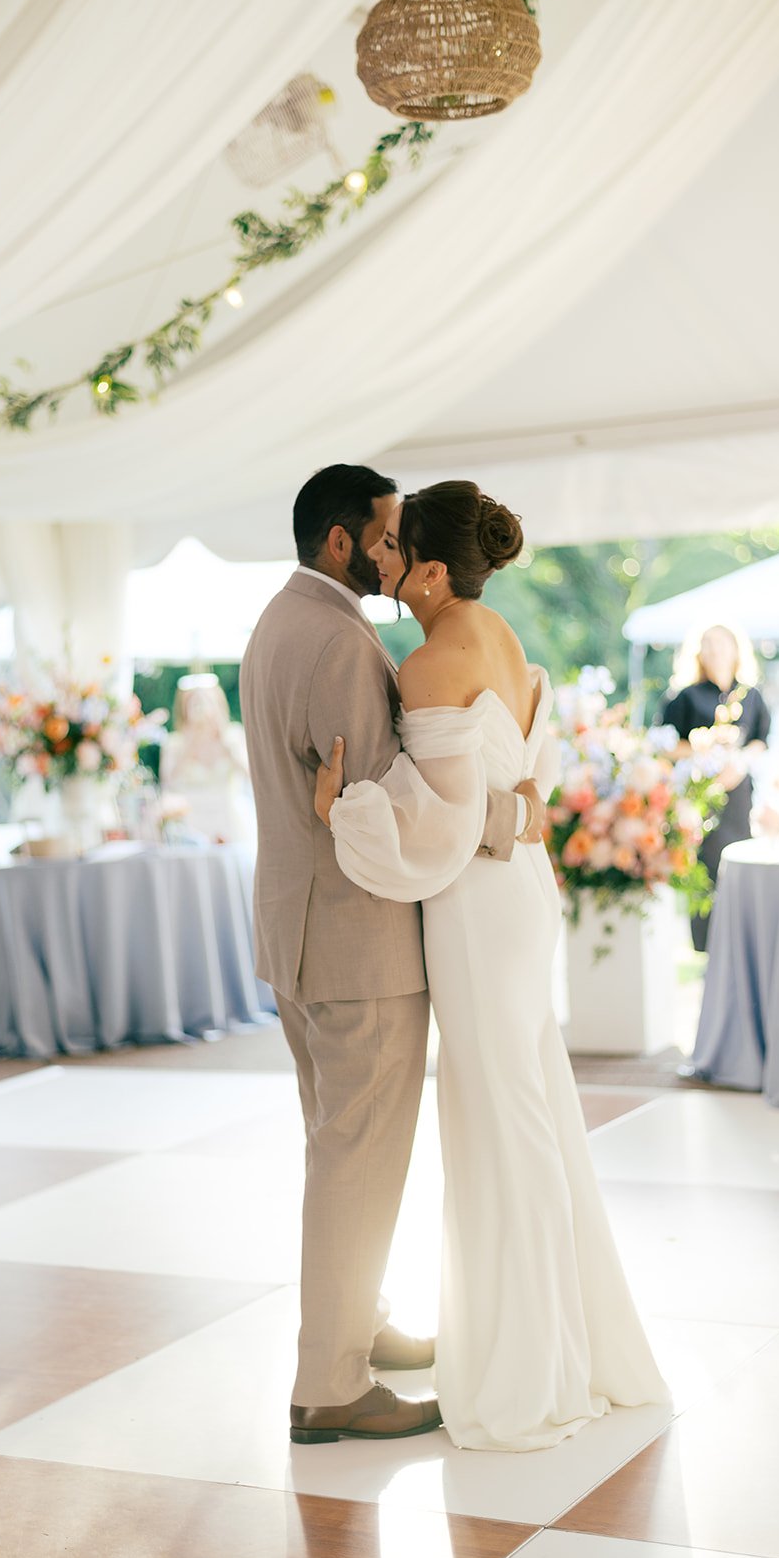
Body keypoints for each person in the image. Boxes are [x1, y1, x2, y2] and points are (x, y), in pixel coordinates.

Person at [314, 481, 668, 1452]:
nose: (378, 557)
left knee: (501, 1120)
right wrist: (505, 818)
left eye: (394, 548)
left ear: (432, 571)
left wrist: (345, 811)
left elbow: (440, 828)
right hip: (522, 898)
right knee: (531, 1106)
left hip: (475, 911)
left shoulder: (428, 663)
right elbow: (519, 802)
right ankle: (562, 1347)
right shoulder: (503, 637)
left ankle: (529, 1374)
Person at [240, 466, 542, 1447]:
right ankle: (331, 1381)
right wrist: (511, 817)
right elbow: (395, 801)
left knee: (339, 1145)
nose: (390, 554)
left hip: (298, 932)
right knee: (357, 1159)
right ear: (339, 541)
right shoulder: (339, 641)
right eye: (379, 537)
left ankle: (357, 1324)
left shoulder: (278, 621)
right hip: (356, 940)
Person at [662, 624, 771, 952]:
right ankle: (707, 946)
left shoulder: (751, 696)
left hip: (739, 798)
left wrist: (739, 762)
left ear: (736, 650)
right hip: (701, 800)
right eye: (707, 645)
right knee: (707, 869)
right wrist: (703, 750)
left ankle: (745, 942)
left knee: (742, 864)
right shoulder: (685, 696)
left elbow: (761, 740)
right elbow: (667, 744)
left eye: (721, 644)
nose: (715, 651)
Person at [160, 674, 253, 843]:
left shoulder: (233, 735)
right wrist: (190, 744)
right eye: (193, 702)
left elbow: (250, 775)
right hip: (191, 825)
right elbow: (167, 784)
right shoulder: (175, 743)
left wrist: (224, 742)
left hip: (230, 821)